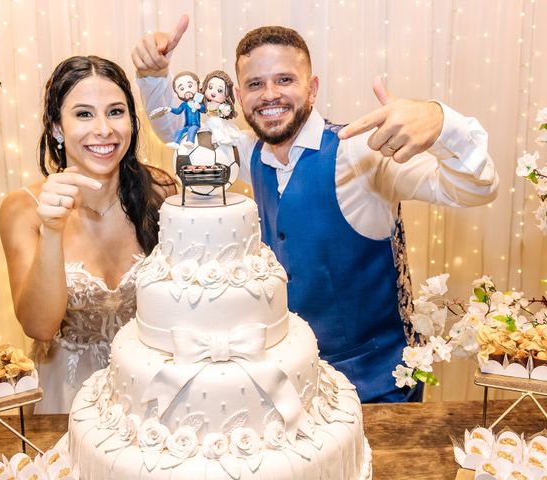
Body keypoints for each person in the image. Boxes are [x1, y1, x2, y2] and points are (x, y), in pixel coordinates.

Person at [131, 17, 499, 403]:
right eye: (256, 84)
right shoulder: (244, 152)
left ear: (313, 89)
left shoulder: (360, 153)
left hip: (377, 391)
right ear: (239, 98)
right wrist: (153, 77)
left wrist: (441, 123)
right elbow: (181, 137)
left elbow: (476, 188)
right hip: (288, 388)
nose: (270, 94)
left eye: (285, 80)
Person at [0, 55, 175, 413]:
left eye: (115, 112)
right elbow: (40, 327)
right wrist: (52, 230)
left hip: (151, 391)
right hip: (66, 398)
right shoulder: (22, 208)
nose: (104, 129)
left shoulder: (162, 191)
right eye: (83, 114)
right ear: (56, 128)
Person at [200, 69, 242, 146]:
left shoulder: (221, 106)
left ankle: (221, 139)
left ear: (227, 95)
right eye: (210, 87)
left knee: (220, 127)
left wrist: (225, 111)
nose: (213, 92)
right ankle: (218, 138)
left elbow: (225, 111)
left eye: (219, 90)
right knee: (212, 124)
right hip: (210, 121)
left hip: (219, 120)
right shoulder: (206, 103)